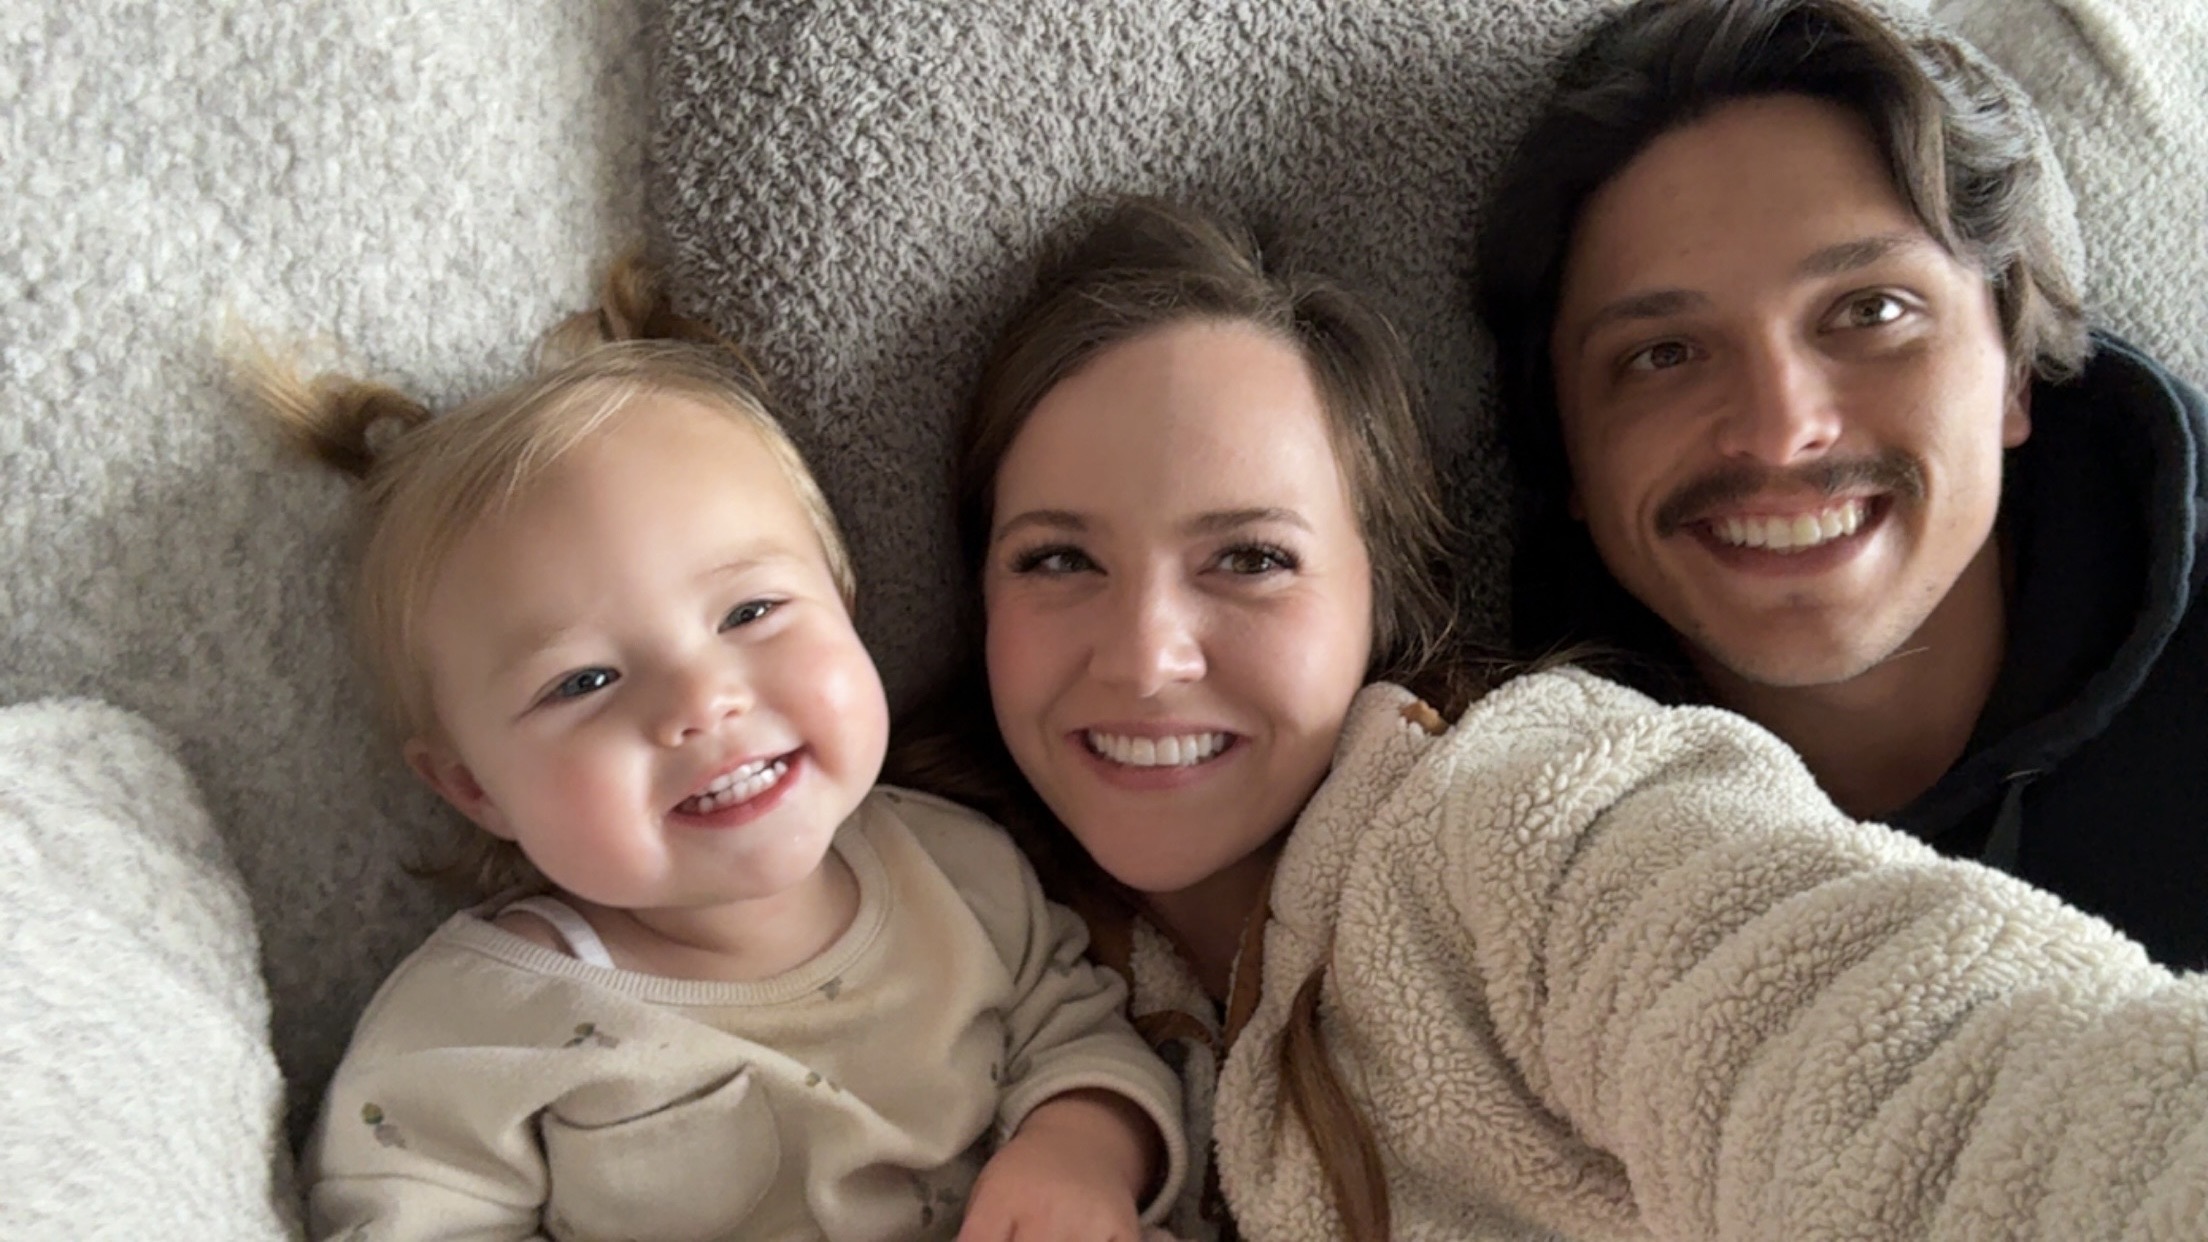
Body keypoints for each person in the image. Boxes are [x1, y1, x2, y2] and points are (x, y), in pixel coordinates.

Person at [890, 195, 2208, 1242]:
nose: (1146, 655)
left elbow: (1923, 1068)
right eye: (1059, 559)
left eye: (1250, 558)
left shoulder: (1520, 821)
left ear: (1382, 600)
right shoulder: (945, 939)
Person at [254, 262, 1188, 1241]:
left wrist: (1076, 1153)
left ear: (846, 608)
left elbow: (1084, 1041)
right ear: (473, 787)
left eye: (750, 612)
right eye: (585, 682)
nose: (702, 704)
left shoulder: (960, 875)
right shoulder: (474, 1025)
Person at [1477, 0, 2208, 969]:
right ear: (1565, 449)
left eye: (1871, 310)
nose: (1781, 431)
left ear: (2014, 373)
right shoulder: (1519, 838)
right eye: (1663, 354)